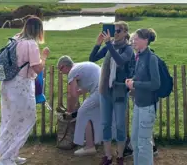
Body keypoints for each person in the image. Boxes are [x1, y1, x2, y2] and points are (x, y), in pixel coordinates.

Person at [0, 16, 50, 165]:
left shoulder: (14, 39)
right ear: (39, 29)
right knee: (27, 119)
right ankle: (7, 157)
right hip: (22, 85)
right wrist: (44, 57)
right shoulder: (31, 44)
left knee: (9, 120)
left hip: (7, 83)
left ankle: (6, 153)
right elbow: (37, 68)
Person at [90, 22, 134, 165]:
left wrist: (108, 44)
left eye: (118, 30)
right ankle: (108, 156)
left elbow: (120, 61)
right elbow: (92, 59)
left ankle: (120, 155)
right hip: (105, 91)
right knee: (105, 124)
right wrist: (98, 44)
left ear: (125, 32)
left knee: (120, 124)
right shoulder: (109, 46)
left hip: (120, 91)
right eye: (113, 30)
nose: (115, 33)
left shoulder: (128, 49)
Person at [126, 28, 160, 165]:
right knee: (135, 141)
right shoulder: (139, 56)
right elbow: (140, 76)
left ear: (145, 40)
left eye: (137, 38)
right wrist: (132, 80)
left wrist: (136, 83)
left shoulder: (151, 58)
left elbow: (155, 84)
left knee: (144, 143)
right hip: (139, 104)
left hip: (148, 105)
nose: (133, 40)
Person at [56, 56, 102, 156]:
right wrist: (80, 92)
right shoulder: (79, 67)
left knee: (82, 113)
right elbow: (88, 84)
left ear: (63, 66)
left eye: (60, 69)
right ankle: (96, 141)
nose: (61, 72)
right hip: (104, 89)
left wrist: (69, 111)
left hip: (99, 91)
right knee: (93, 115)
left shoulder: (72, 72)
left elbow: (72, 95)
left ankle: (90, 147)